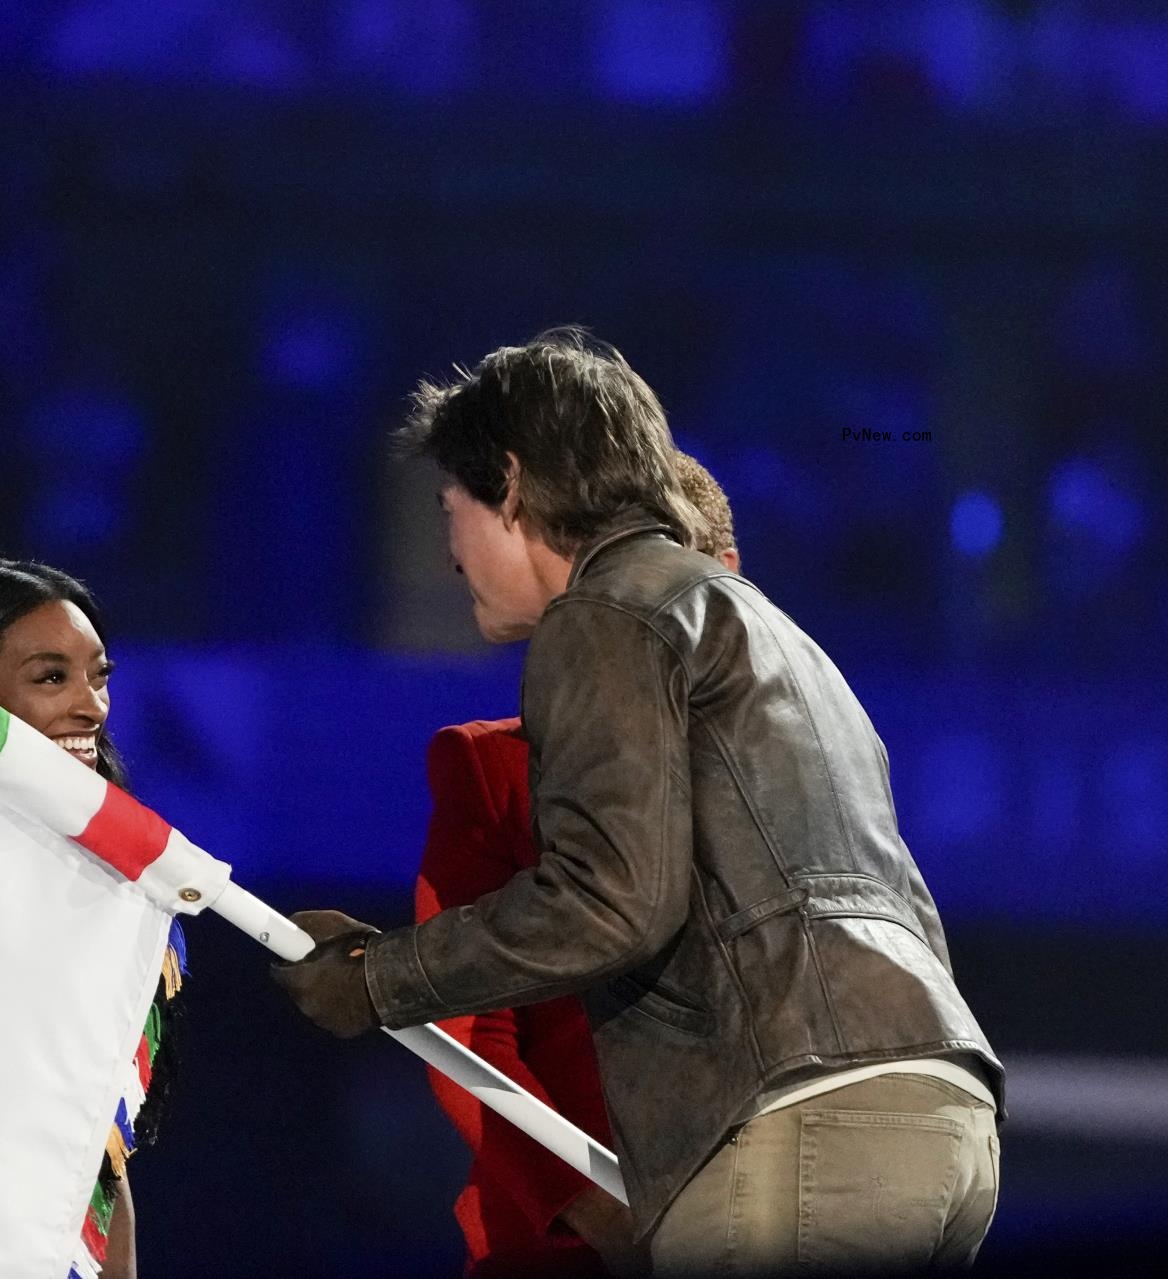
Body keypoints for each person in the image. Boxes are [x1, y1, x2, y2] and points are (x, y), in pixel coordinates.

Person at [274, 329, 1002, 1274]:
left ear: (511, 478)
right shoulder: (782, 635)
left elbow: (613, 901)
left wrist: (379, 977)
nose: (450, 551)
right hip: (938, 1113)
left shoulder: (607, 612)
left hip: (796, 1124)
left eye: (451, 505)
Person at [418, 452, 740, 1278]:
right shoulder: (492, 768)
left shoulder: (787, 775)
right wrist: (596, 1210)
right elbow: (467, 1030)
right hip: (564, 1247)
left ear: (726, 580)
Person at [0, 558, 180, 1279]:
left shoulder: (117, 900)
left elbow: (96, 1162)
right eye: (52, 677)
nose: (92, 706)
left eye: (99, 675)